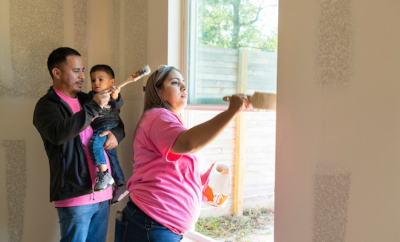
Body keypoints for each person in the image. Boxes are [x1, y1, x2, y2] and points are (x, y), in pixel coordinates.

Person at [114, 65, 249, 242]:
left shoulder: (168, 121)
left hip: (157, 226)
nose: (184, 87)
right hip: (150, 225)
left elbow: (168, 170)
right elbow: (188, 143)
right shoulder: (157, 117)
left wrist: (199, 182)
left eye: (184, 83)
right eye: (175, 83)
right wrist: (231, 111)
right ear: (158, 91)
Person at [33, 47, 125, 242]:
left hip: (103, 193)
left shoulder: (87, 98)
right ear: (56, 73)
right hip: (75, 196)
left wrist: (117, 134)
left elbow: (115, 121)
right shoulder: (47, 106)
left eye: (83, 70)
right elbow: (58, 134)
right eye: (76, 71)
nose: (83, 76)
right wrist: (92, 107)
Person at [87, 64, 129, 204]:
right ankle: (121, 183)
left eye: (100, 79)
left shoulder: (112, 95)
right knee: (111, 157)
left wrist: (116, 96)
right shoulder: (91, 96)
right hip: (100, 127)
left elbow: (118, 106)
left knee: (94, 144)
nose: (96, 83)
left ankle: (104, 175)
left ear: (112, 82)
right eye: (93, 80)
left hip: (109, 127)